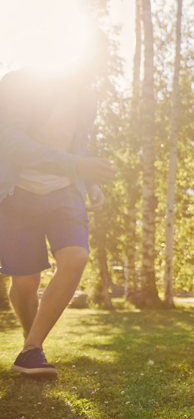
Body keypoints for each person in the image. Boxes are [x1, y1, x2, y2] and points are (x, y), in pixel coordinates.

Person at [0, 31, 117, 376]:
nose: (96, 68)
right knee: (24, 282)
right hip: (16, 190)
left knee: (76, 256)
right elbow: (10, 143)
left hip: (65, 191)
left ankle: (32, 349)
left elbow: (78, 146)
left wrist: (89, 181)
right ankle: (30, 342)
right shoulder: (18, 84)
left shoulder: (86, 99)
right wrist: (77, 166)